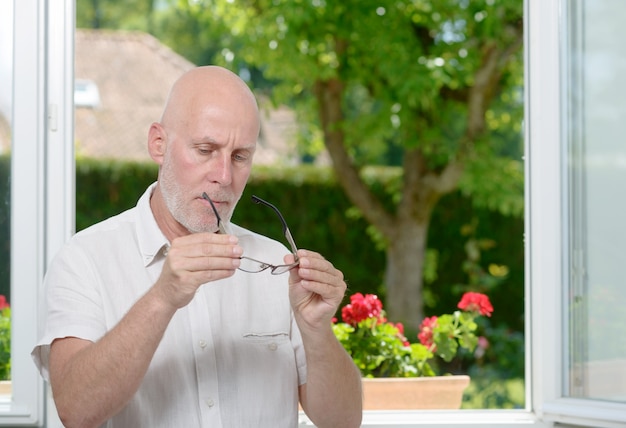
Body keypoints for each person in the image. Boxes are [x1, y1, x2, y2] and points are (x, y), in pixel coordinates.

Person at [31, 66, 363, 428]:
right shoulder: (85, 259)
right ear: (158, 144)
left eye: (240, 156)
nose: (223, 175)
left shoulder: (275, 264)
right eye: (205, 150)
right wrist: (163, 297)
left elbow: (344, 421)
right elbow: (75, 410)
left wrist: (317, 329)